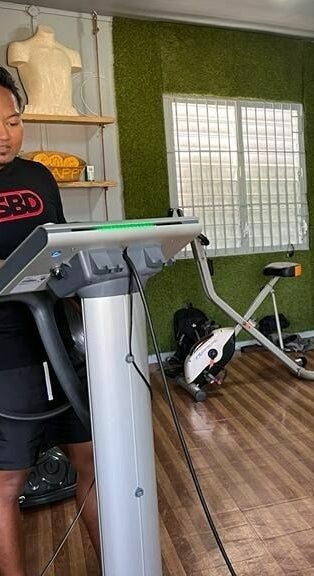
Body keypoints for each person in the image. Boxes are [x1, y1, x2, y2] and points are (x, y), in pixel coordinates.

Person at [0, 65, 99, 574]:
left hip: (59, 344)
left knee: (91, 461)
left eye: (13, 121)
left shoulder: (38, 177)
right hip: (7, 356)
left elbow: (58, 250)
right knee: (6, 484)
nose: (4, 134)